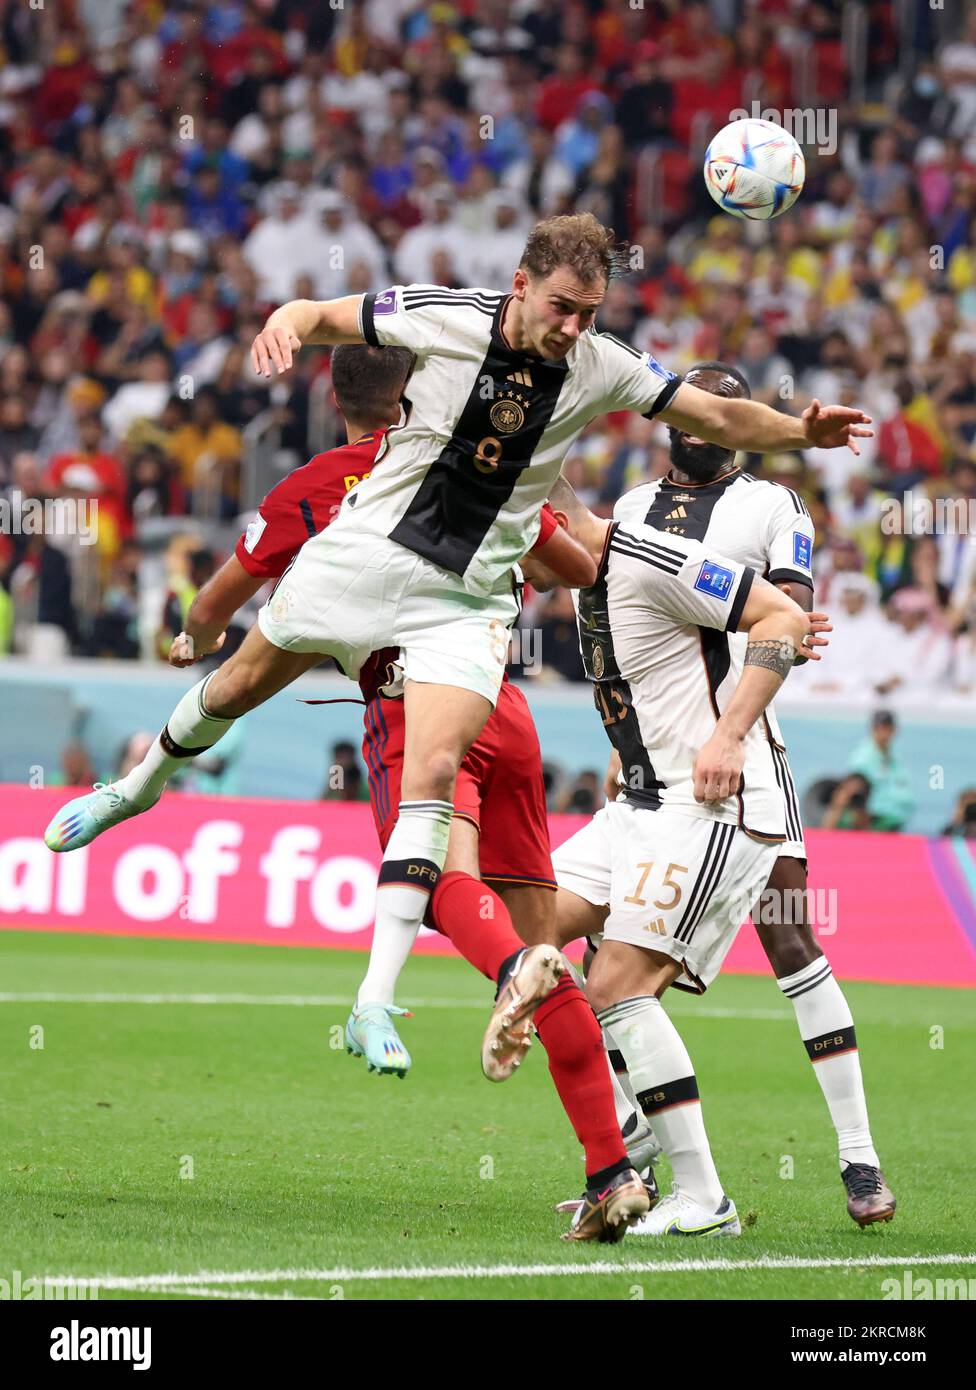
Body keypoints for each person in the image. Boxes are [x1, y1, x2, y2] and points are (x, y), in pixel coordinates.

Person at [45, 212, 873, 1075]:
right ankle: (138, 789)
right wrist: (283, 323)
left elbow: (714, 411)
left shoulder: (601, 364)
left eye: (589, 312)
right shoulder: (444, 314)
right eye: (561, 307)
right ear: (522, 284)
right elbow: (321, 315)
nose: (574, 328)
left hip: (464, 597)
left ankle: (374, 999)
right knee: (237, 686)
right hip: (370, 552)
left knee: (432, 773)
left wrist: (797, 433)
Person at [49, 341, 652, 1240]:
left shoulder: (321, 483)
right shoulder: (478, 471)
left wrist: (192, 635)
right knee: (539, 943)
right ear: (420, 393)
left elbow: (223, 604)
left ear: (337, 399)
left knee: (460, 903)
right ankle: (616, 1161)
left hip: (415, 706)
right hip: (502, 705)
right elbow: (577, 570)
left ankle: (466, 993)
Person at [612, 362, 894, 1228]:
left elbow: (794, 618)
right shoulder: (626, 509)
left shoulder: (772, 506)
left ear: (739, 423)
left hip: (746, 753)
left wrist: (708, 606)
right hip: (652, 769)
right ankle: (636, 1151)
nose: (701, 422)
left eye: (721, 406)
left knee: (791, 938)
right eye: (692, 405)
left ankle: (858, 1157)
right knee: (619, 961)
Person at [535, 477, 838, 1238]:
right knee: (523, 944)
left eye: (531, 557)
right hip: (633, 802)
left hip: (699, 805)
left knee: (616, 983)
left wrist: (729, 733)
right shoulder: (586, 574)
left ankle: (703, 1199)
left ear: (558, 525)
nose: (531, 581)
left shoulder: (650, 553)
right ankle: (631, 1145)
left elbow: (784, 619)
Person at [846, 710, 916, 831]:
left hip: (894, 818)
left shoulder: (894, 757)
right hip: (872, 820)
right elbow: (857, 793)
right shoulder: (862, 757)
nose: (885, 733)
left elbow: (904, 787)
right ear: (873, 729)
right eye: (881, 728)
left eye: (888, 728)